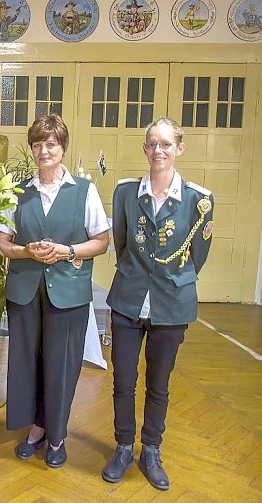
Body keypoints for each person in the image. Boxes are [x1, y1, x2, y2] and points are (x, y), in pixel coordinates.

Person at [102, 117, 214, 491]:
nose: (158, 151)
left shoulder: (199, 201)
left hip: (172, 302)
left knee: (159, 383)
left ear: (179, 148)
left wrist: (165, 280)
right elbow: (121, 243)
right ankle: (122, 446)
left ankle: (150, 450)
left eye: (166, 144)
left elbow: (197, 255)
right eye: (152, 144)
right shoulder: (125, 193)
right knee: (123, 379)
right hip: (128, 298)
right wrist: (141, 275)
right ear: (145, 149)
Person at [0, 114, 110, 468]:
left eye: (52, 144)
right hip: (25, 289)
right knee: (27, 362)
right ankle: (35, 429)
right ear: (31, 149)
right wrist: (26, 251)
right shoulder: (16, 191)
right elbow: (2, 243)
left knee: (61, 364)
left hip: (69, 292)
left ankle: (57, 434)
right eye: (38, 144)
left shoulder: (85, 191)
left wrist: (68, 251)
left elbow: (101, 241)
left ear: (63, 148)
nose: (44, 151)